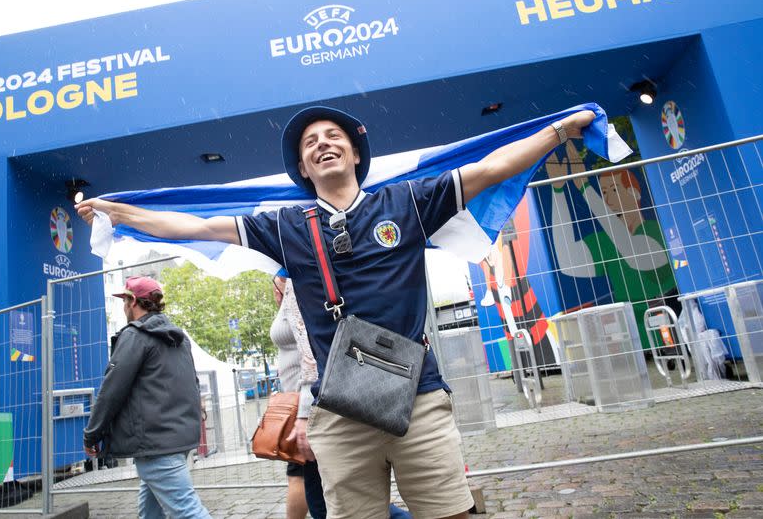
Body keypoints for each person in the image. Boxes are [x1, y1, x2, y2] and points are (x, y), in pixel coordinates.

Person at [77, 105, 595, 519]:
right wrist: (114, 212)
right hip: (338, 412)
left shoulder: (407, 202)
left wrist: (559, 131)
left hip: (417, 398)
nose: (322, 143)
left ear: (353, 152)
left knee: (448, 514)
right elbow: (193, 226)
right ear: (303, 168)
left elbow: (489, 169)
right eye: (309, 142)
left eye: (332, 135)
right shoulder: (284, 226)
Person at [272, 271, 413, 519]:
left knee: (326, 502)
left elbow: (309, 350)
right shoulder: (288, 286)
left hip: (316, 403)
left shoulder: (296, 280)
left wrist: (305, 411)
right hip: (307, 403)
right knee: (330, 497)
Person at [82, 276, 211, 519]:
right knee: (150, 512)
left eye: (124, 300)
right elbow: (192, 383)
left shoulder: (135, 335)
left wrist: (92, 434)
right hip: (178, 439)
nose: (123, 306)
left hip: (155, 442)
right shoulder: (177, 337)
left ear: (132, 301)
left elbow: (111, 390)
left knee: (188, 512)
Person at [545, 141, 677, 349]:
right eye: (604, 193)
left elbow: (632, 252)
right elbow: (568, 261)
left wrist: (586, 188)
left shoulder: (652, 231)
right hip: (636, 342)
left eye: (614, 190)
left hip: (672, 331)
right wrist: (558, 189)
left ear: (634, 193)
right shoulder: (608, 241)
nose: (608, 200)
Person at [269, 271, 318, 519]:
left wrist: (305, 411)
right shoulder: (289, 291)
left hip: (306, 404)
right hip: (297, 402)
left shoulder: (296, 289)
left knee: (319, 496)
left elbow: (308, 352)